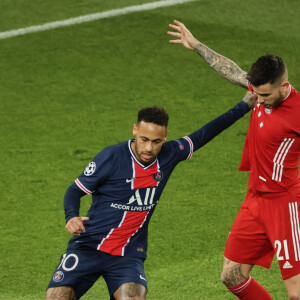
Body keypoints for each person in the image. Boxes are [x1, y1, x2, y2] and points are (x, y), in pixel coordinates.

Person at [45, 92, 254, 299]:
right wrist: (71, 216)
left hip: (127, 255)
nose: (148, 148)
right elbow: (74, 190)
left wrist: (245, 104)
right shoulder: (110, 157)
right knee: (57, 297)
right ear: (135, 130)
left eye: (156, 141)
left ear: (165, 136)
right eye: (144, 139)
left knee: (134, 297)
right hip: (89, 246)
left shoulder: (170, 154)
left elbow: (207, 131)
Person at [168, 20, 300, 300]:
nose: (258, 100)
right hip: (254, 201)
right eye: (256, 92)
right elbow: (231, 71)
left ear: (283, 86)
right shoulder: (259, 91)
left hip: (284, 205)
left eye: (264, 95)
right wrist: (196, 45)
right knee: (231, 276)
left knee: (296, 293)